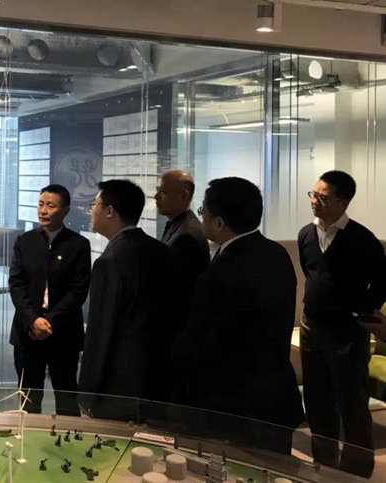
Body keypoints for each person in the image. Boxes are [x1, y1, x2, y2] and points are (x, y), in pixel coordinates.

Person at [172, 177, 304, 455]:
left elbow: (203, 342)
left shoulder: (221, 274)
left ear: (220, 222)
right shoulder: (277, 254)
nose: (201, 218)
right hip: (275, 396)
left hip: (233, 406)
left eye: (204, 212)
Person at [297, 170, 386, 478]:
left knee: (351, 402)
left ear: (343, 202)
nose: (314, 201)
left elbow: (382, 280)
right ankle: (323, 465)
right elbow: (310, 273)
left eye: (323, 198)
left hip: (346, 330)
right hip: (311, 324)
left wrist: (363, 311)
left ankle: (356, 471)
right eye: (313, 194)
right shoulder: (306, 234)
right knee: (317, 399)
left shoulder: (362, 239)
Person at [78, 179, 175, 421]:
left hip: (117, 386)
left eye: (94, 205)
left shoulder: (110, 261)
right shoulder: (160, 251)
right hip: (158, 378)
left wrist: (87, 393)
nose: (91, 211)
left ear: (110, 211)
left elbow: (102, 331)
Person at [8, 184, 91, 416]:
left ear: (65, 211)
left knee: (66, 398)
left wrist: (49, 322)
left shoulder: (78, 244)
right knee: (28, 398)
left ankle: (68, 437)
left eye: (50, 206)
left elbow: (78, 291)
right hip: (28, 332)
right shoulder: (24, 241)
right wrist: (33, 320)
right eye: (40, 204)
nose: (43, 210)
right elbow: (16, 283)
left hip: (63, 333)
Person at [154, 170, 210, 345]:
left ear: (183, 196)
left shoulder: (187, 235)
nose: (156, 196)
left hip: (177, 333)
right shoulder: (178, 225)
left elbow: (176, 292)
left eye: (162, 192)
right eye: (157, 190)